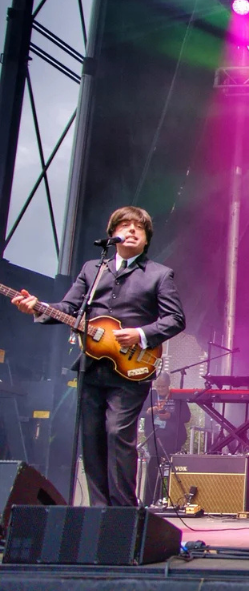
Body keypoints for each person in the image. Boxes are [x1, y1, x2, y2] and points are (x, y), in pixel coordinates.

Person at [11, 206, 186, 507]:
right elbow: (68, 309)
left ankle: (123, 514)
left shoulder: (159, 274)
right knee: (91, 439)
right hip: (92, 366)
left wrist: (140, 334)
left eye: (139, 228)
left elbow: (175, 319)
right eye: (125, 225)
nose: (132, 230)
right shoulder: (93, 270)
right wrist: (37, 306)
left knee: (118, 433)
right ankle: (98, 512)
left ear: (146, 240)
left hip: (132, 368)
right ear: (112, 234)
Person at [141, 372, 190, 506]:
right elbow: (139, 412)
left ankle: (170, 500)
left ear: (168, 385)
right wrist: (149, 412)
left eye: (163, 386)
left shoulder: (176, 396)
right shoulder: (150, 395)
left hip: (173, 438)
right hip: (154, 436)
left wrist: (171, 416)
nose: (160, 389)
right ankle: (149, 501)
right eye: (158, 386)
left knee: (170, 469)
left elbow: (186, 417)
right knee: (153, 467)